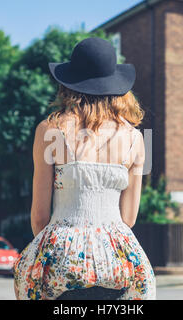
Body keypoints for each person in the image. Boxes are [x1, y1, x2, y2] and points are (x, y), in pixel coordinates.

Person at [13, 37, 156, 300]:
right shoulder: (137, 138)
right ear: (116, 85)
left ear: (70, 84)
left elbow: (39, 218)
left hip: (62, 260)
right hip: (117, 262)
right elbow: (129, 218)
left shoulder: (49, 131)